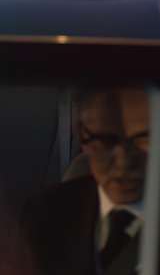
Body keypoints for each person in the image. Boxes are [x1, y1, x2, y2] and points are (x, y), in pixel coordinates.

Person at [21, 85, 149, 275]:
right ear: (81, 135)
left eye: (143, 139)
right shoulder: (44, 215)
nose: (124, 160)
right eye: (105, 140)